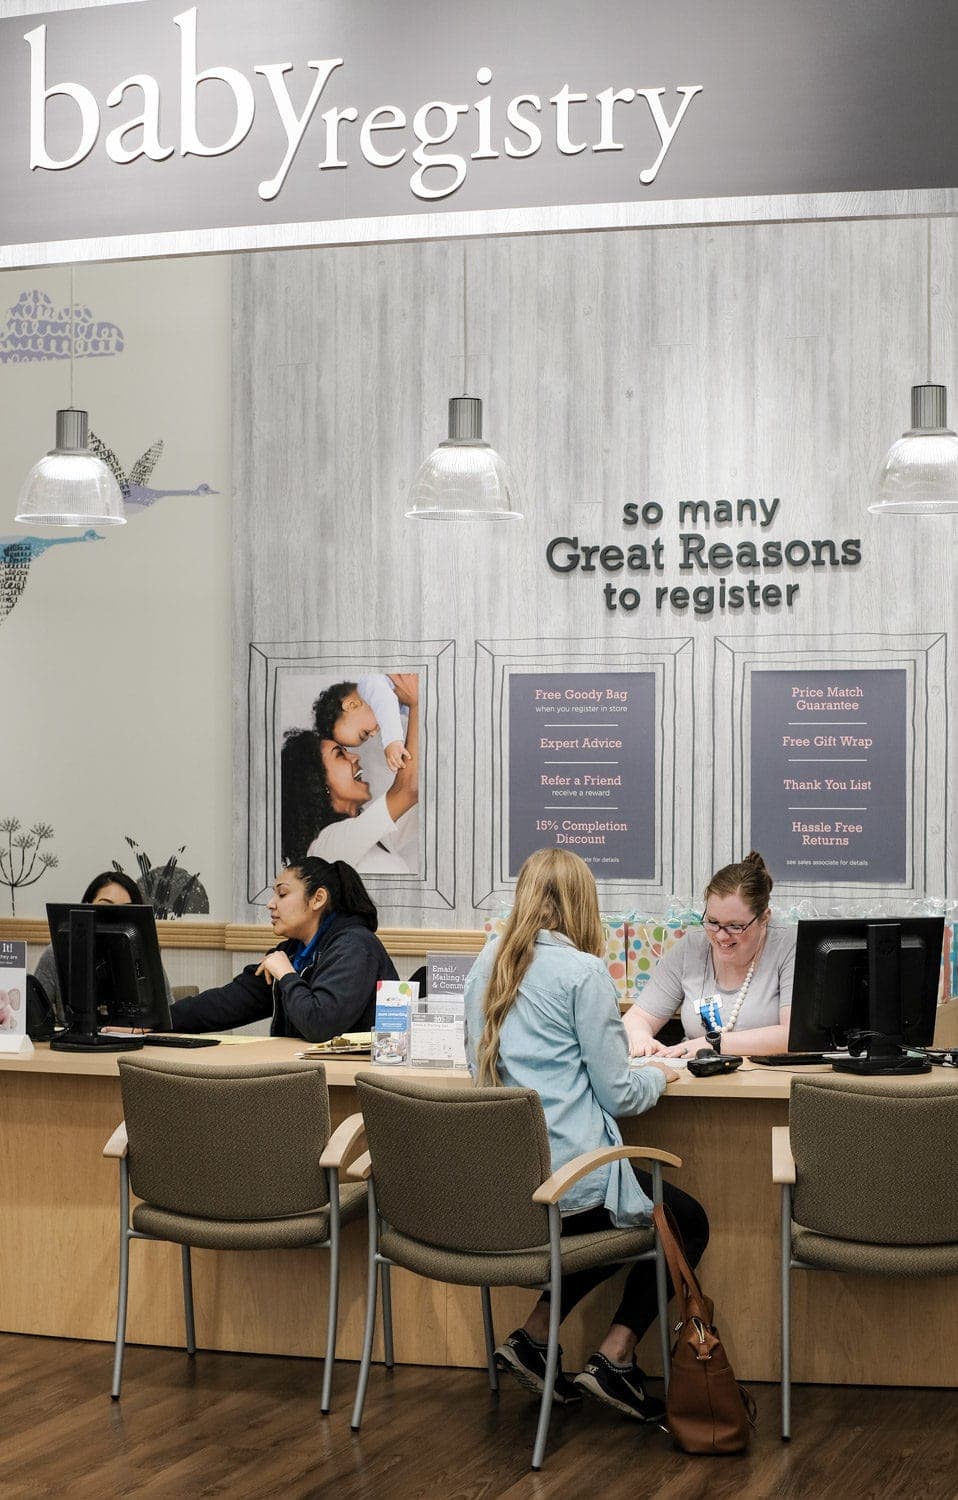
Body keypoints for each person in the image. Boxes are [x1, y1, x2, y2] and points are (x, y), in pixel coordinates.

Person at [463, 848, 708, 1422]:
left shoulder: (484, 965)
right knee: (678, 1218)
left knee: (615, 1209)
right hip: (568, 1183)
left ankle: (533, 1337)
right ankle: (614, 1360)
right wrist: (660, 1074)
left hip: (508, 1185)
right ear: (583, 905)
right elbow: (620, 1093)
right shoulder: (583, 972)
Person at [170, 857, 396, 1041]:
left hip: (349, 1086)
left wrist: (287, 975)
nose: (271, 903)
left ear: (317, 899)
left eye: (283, 893)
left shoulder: (354, 947)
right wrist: (158, 1020)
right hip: (304, 1077)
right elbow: (230, 1002)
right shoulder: (292, 951)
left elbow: (320, 1025)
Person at [623, 850, 795, 1059]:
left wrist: (713, 1043)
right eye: (713, 922)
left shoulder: (788, 947)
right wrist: (640, 1037)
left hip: (764, 1085)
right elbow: (637, 1017)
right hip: (694, 1082)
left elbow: (792, 1036)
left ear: (764, 918)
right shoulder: (692, 947)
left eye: (735, 926)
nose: (721, 936)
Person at [281, 679, 418, 874]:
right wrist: (416, 703)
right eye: (339, 754)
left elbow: (419, 795)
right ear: (318, 784)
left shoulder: (374, 836)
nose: (355, 756)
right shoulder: (326, 847)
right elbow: (409, 789)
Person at [32, 870, 174, 1024]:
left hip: (138, 1045)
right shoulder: (55, 953)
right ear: (86, 906)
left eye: (125, 909)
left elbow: (168, 1018)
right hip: (76, 1046)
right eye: (105, 907)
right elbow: (34, 1019)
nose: (114, 916)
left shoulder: (144, 954)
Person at [313, 673, 413, 774]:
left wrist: (392, 740)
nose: (373, 734)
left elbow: (385, 703)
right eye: (368, 736)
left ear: (352, 705)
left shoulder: (369, 682)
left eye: (365, 733)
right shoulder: (394, 703)